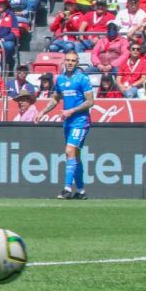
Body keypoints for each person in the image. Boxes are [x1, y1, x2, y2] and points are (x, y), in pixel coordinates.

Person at [35, 51, 94, 200]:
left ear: (77, 63)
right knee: (75, 155)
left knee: (69, 151)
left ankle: (67, 189)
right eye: (67, 60)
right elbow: (55, 99)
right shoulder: (60, 79)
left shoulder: (82, 79)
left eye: (73, 61)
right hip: (68, 122)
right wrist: (42, 112)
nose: (70, 63)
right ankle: (81, 191)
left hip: (80, 121)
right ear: (64, 62)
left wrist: (72, 110)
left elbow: (90, 101)